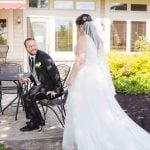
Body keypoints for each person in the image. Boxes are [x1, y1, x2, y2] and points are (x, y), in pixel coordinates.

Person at [62, 14, 150, 150]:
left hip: (85, 77)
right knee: (99, 107)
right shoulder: (97, 40)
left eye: (77, 26)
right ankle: (101, 131)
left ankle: (87, 137)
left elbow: (79, 61)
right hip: (96, 77)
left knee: (83, 107)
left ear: (80, 26)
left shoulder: (83, 39)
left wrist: (70, 78)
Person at [20, 38, 63, 132]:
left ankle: (34, 123)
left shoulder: (43, 56)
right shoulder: (31, 57)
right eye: (30, 46)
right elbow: (35, 74)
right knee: (26, 97)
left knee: (27, 97)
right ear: (26, 48)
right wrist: (27, 78)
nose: (33, 48)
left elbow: (55, 73)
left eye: (34, 45)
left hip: (49, 88)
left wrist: (57, 90)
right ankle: (38, 121)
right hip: (40, 85)